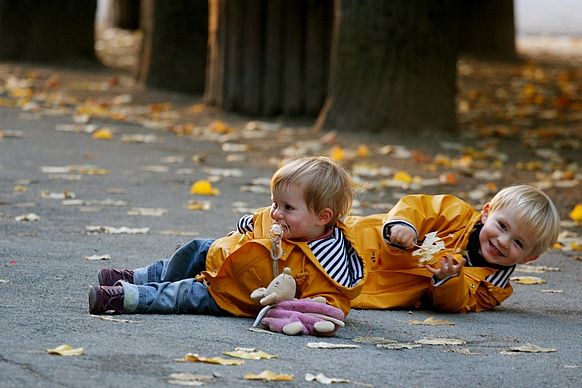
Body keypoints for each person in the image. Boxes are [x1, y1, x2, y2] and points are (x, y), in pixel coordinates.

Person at [88, 156, 386, 325]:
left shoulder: (329, 262)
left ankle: (123, 298)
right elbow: (252, 221)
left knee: (181, 294)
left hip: (233, 294)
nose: (276, 213)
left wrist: (304, 308)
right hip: (220, 256)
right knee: (190, 252)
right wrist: (242, 229)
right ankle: (137, 276)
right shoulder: (276, 219)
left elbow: (329, 301)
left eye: (288, 208)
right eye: (274, 203)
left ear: (323, 216)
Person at [351, 184, 561, 313]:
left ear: (529, 258)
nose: (504, 241)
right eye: (502, 226)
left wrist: (449, 280)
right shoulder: (456, 214)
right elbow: (419, 207)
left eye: (518, 243)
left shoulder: (492, 288)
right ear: (487, 212)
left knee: (326, 283)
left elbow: (456, 304)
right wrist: (403, 225)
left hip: (370, 289)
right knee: (321, 241)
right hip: (361, 241)